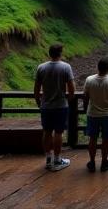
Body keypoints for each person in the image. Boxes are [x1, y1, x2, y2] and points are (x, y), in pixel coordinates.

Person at [34, 43, 75, 172]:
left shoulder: (41, 67)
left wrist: (38, 100)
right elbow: (71, 87)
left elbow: (36, 87)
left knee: (46, 132)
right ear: (60, 53)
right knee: (58, 132)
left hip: (46, 105)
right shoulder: (65, 67)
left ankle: (48, 158)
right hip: (60, 105)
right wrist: (68, 98)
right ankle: (57, 159)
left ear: (49, 53)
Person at [83, 57, 108, 172]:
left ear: (97, 67)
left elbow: (86, 96)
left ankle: (92, 162)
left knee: (92, 139)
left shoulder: (89, 80)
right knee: (106, 139)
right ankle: (104, 162)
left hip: (92, 113)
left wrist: (86, 110)